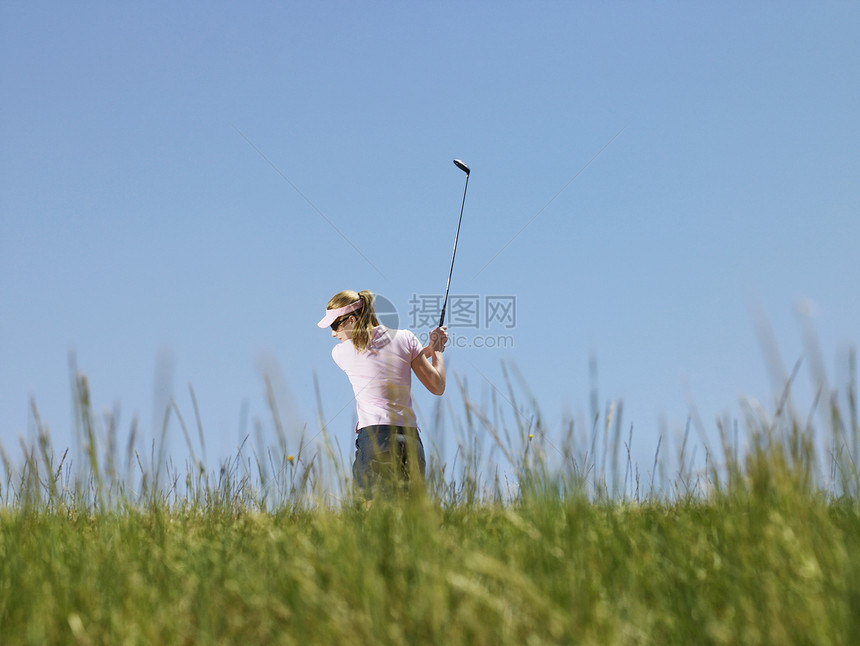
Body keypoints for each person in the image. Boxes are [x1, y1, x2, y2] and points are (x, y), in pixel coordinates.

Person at [317, 289, 448, 494]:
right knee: (412, 517)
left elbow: (381, 356)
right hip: (410, 440)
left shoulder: (341, 352)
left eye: (335, 325)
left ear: (351, 319)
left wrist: (428, 349)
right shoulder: (406, 338)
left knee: (373, 514)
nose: (334, 333)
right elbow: (437, 385)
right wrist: (436, 350)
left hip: (375, 439)